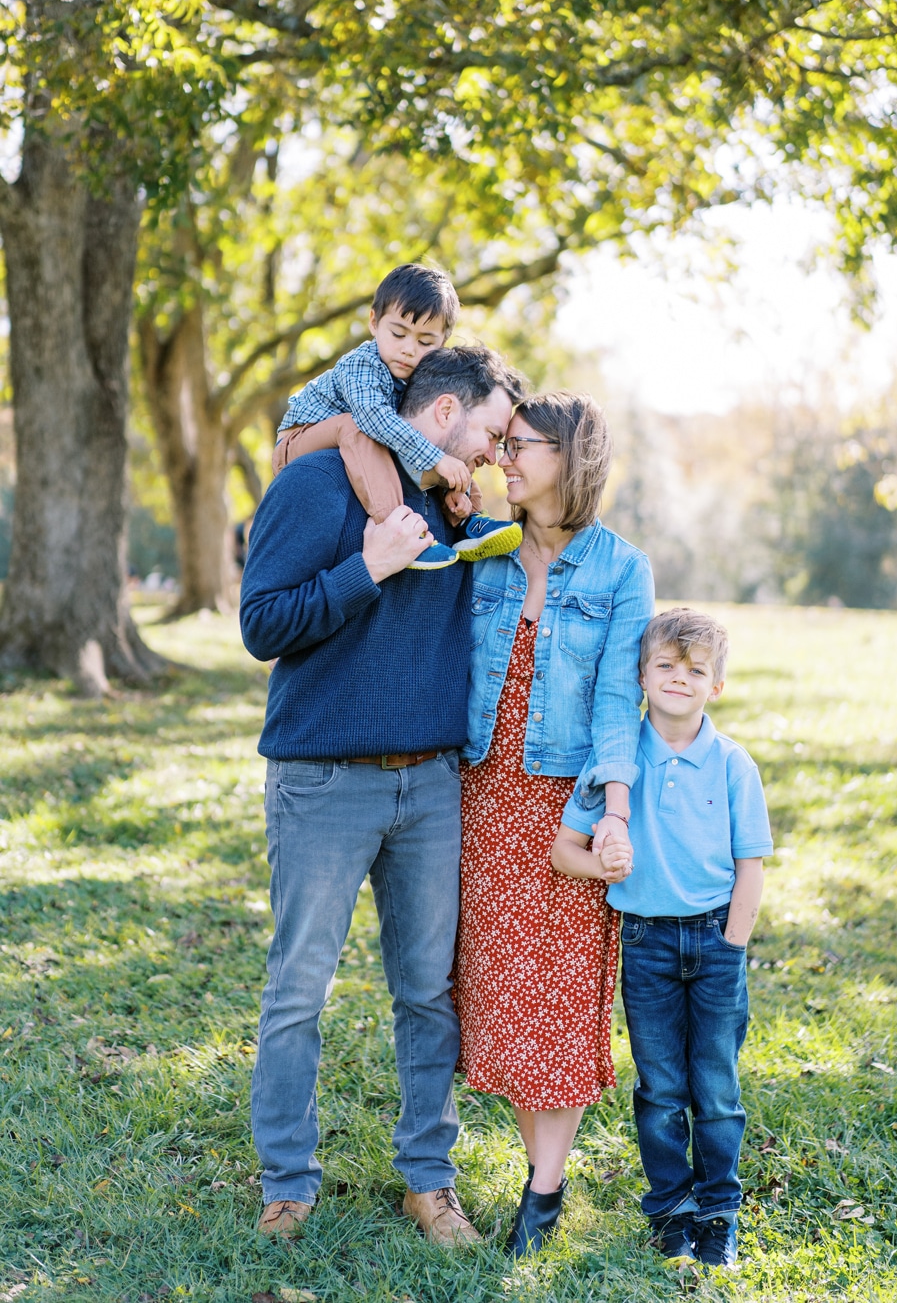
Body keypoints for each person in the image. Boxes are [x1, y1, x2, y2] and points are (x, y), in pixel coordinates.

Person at [240, 345, 518, 1248]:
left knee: (428, 994)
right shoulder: (315, 485)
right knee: (297, 993)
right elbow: (262, 624)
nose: (493, 453)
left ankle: (428, 1183)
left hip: (431, 787)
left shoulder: (458, 506)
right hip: (323, 782)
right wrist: (368, 567)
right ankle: (287, 1184)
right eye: (489, 432)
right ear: (443, 413)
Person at [453, 390, 655, 1258]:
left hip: (564, 807)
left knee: (560, 998)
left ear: (569, 460)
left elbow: (620, 700)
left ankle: (544, 1189)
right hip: (481, 790)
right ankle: (513, 1167)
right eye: (504, 443)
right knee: (498, 993)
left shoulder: (620, 570)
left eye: (521, 445)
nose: (505, 457)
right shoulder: (483, 550)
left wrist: (613, 815)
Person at [551, 607, 773, 1269]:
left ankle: (719, 1214)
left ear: (717, 685)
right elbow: (567, 850)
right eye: (666, 666)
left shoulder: (733, 764)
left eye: (696, 669)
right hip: (644, 944)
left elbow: (750, 869)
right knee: (661, 1087)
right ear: (642, 676)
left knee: (716, 1085)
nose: (680, 678)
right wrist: (602, 864)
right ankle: (671, 1212)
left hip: (714, 945)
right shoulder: (617, 762)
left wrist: (732, 949)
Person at [272, 262, 521, 568]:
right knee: (359, 428)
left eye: (425, 342)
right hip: (297, 443)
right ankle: (399, 530)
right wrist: (436, 459)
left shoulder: (413, 377)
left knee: (447, 445)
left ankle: (469, 520)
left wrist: (449, 468)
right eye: (398, 333)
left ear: (442, 342)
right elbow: (374, 418)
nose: (408, 349)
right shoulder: (362, 364)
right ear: (374, 322)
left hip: (353, 442)